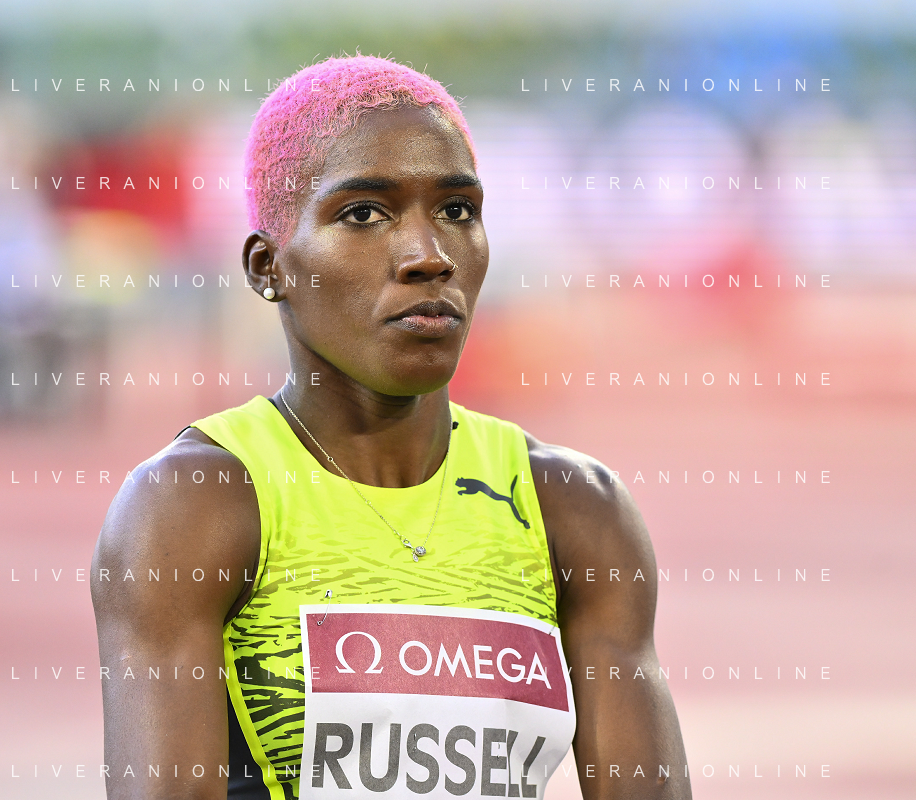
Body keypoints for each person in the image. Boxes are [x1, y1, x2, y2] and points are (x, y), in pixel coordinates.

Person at [91, 55, 691, 800]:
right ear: (268, 267)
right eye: (364, 214)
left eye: (457, 210)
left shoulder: (574, 510)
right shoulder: (194, 505)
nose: (428, 256)